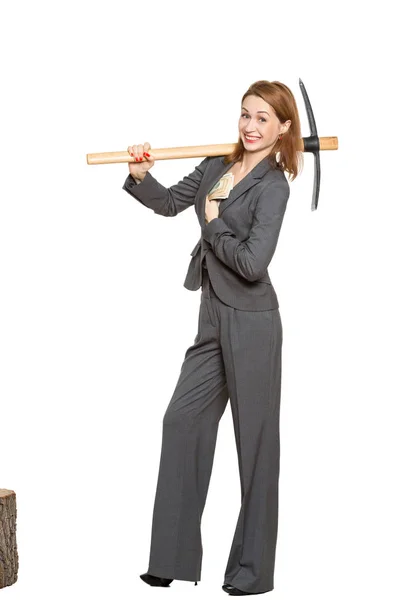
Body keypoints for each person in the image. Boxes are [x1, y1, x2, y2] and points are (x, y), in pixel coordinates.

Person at [122, 80, 303, 596]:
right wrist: (141, 177)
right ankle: (171, 558)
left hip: (253, 321)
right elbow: (170, 203)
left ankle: (249, 574)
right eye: (246, 114)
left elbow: (251, 262)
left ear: (284, 127)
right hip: (211, 318)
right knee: (181, 421)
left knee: (256, 446)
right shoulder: (215, 165)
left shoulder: (274, 185)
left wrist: (216, 223)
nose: (250, 125)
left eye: (264, 118)